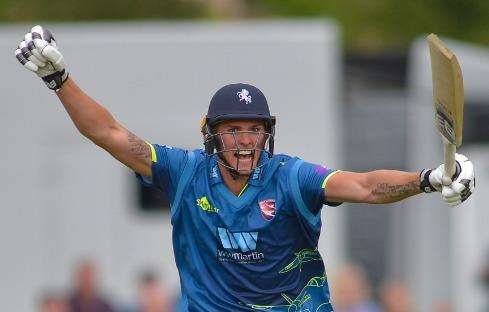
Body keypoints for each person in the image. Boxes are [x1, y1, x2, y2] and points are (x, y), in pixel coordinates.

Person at [15, 25, 475, 312]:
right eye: (232, 130)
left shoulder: (292, 177)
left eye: (254, 130)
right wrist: (60, 81)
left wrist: (427, 179)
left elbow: (365, 186)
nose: (244, 141)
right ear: (211, 134)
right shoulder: (184, 172)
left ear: (267, 134)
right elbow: (110, 134)